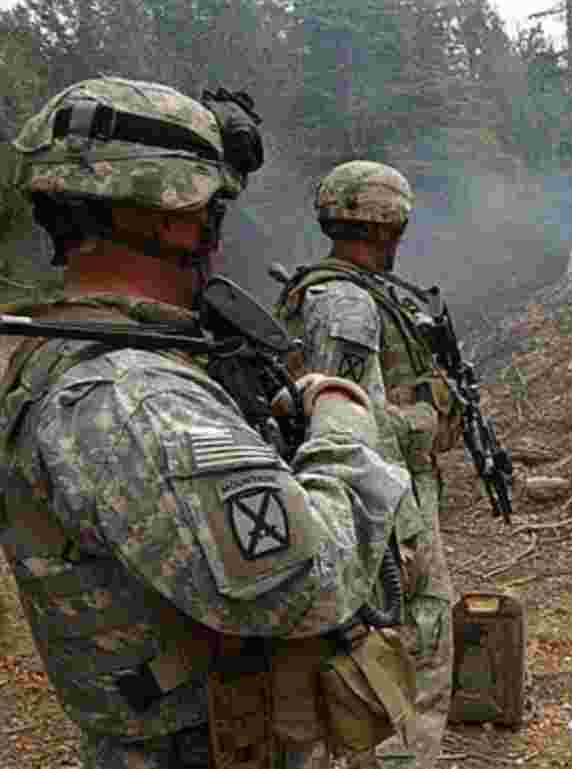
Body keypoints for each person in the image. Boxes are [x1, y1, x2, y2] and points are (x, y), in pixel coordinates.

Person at [1, 78, 415, 769]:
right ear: (172, 217)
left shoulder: (73, 358)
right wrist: (339, 421)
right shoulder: (132, 397)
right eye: (212, 202)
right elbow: (316, 581)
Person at [274, 161, 458, 769]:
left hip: (374, 506)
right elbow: (345, 421)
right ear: (390, 226)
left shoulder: (346, 292)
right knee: (411, 650)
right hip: (379, 518)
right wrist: (427, 420)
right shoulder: (347, 306)